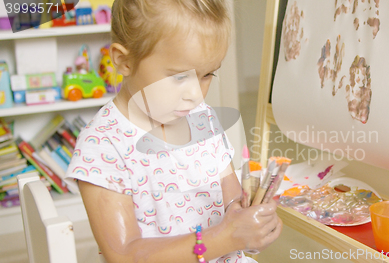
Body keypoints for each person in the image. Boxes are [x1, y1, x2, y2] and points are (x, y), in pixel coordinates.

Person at [64, 0, 283, 262]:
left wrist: (250, 220)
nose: (195, 94)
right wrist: (227, 237)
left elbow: (231, 198)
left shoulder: (202, 118)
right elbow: (123, 255)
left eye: (208, 74)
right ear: (124, 61)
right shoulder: (103, 145)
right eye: (180, 77)